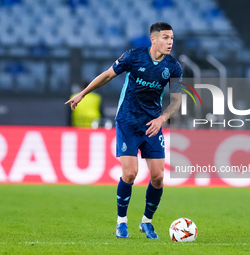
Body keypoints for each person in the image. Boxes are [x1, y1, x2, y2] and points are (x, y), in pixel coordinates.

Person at [65, 22, 182, 239]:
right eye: (165, 38)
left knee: (158, 177)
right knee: (130, 173)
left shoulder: (173, 67)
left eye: (172, 38)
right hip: (128, 121)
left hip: (152, 124)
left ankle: (147, 222)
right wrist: (83, 93)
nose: (170, 42)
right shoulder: (134, 56)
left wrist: (162, 118)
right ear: (153, 39)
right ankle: (121, 222)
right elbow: (108, 75)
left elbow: (176, 100)